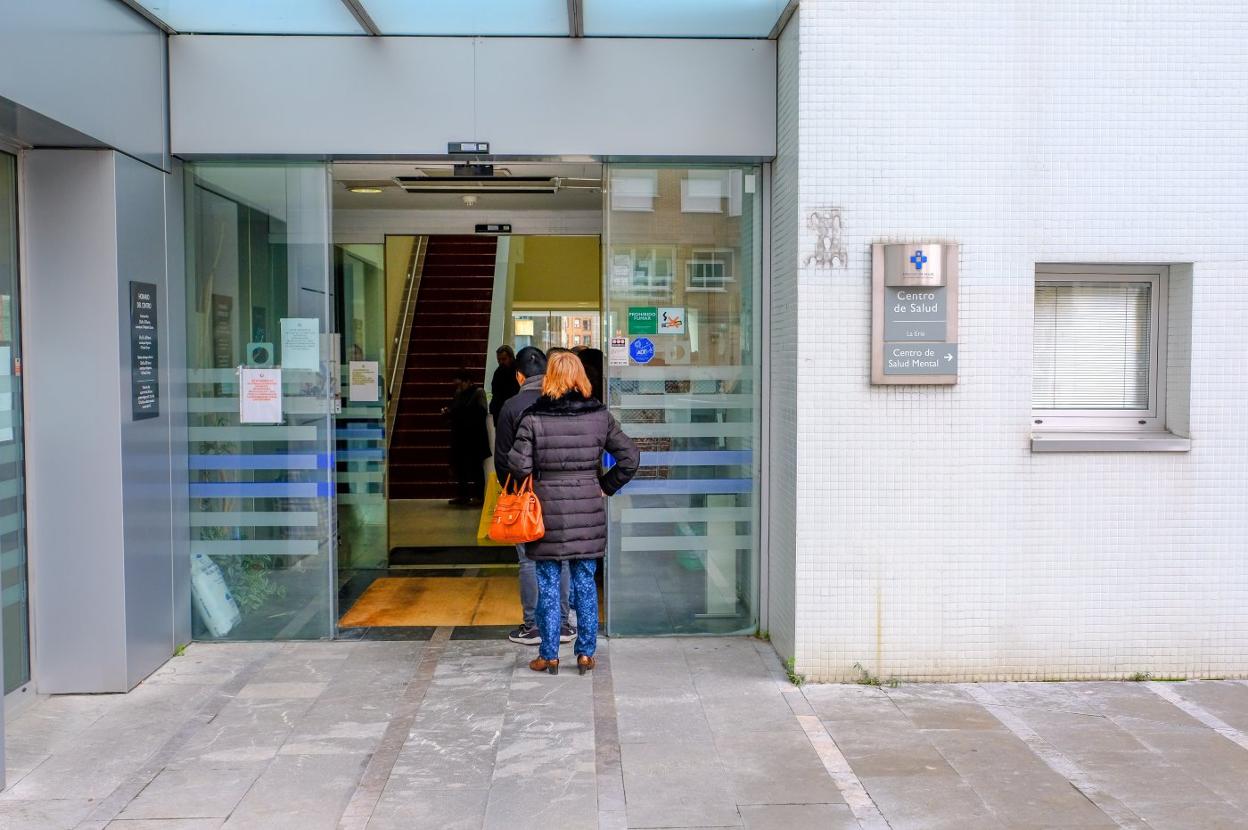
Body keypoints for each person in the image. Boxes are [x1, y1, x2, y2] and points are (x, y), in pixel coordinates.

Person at [507, 352, 639, 675]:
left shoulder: (533, 417)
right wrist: (605, 486)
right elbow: (630, 457)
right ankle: (585, 654)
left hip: (547, 511)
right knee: (585, 583)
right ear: (582, 377)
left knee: (549, 583)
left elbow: (518, 466)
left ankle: (549, 655)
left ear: (549, 377)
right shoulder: (599, 416)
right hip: (587, 510)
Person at [494, 346, 574, 647]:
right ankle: (563, 624)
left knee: (528, 561)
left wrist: (513, 491)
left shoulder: (511, 406)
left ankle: (534, 626)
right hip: (561, 493)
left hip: (526, 494)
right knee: (561, 559)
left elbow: (503, 458)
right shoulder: (563, 401)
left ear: (519, 376)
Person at [443, 370, 489, 506]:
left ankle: (479, 496)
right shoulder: (459, 394)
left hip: (474, 437)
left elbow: (481, 413)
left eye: (461, 384)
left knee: (476, 467)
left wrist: (461, 413)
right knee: (460, 467)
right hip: (461, 436)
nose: (459, 387)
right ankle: (463, 495)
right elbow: (455, 409)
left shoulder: (478, 392)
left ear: (468, 381)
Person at [488, 345, 519, 426]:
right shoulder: (498, 372)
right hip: (500, 413)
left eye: (504, 359)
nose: (501, 362)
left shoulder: (518, 372)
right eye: (499, 360)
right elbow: (495, 392)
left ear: (511, 358)